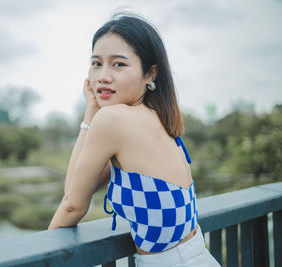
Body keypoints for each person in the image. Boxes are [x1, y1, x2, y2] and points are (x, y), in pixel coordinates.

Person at [48, 14, 220, 267]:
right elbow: (77, 186)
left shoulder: (113, 120)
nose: (103, 76)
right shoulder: (159, 117)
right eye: (96, 63)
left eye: (118, 64)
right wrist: (90, 113)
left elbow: (72, 204)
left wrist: (40, 254)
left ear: (150, 74)